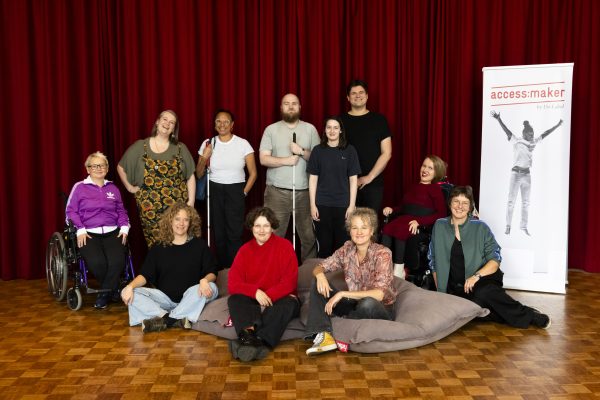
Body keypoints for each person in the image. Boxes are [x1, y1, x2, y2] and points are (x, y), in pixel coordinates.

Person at [428, 186, 551, 329]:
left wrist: (476, 276)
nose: (460, 206)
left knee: (484, 293)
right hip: (456, 286)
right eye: (456, 201)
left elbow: (495, 258)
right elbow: (433, 260)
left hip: (483, 278)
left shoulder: (480, 227)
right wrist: (441, 291)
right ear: (450, 204)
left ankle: (530, 315)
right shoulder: (440, 225)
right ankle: (509, 312)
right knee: (472, 308)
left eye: (465, 203)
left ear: (470, 207)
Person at [304, 207, 398, 356]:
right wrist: (320, 275)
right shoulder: (347, 249)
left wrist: (341, 294)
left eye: (364, 227)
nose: (359, 232)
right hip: (354, 305)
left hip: (379, 308)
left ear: (371, 230)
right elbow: (319, 267)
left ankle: (341, 332)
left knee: (367, 302)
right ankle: (323, 334)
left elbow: (379, 295)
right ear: (350, 231)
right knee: (316, 282)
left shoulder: (383, 253)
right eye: (355, 228)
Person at [121, 202, 218, 333]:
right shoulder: (159, 247)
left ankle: (164, 321)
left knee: (212, 287)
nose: (181, 223)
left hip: (191, 296)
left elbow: (212, 272)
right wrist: (130, 287)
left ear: (191, 223)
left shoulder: (199, 245)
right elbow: (144, 275)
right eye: (177, 219)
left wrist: (205, 280)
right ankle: (175, 318)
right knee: (129, 291)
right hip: (164, 300)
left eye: (186, 220)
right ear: (170, 221)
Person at [227, 207, 300, 362]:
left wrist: (267, 296)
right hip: (254, 298)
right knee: (235, 299)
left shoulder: (285, 246)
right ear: (251, 227)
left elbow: (289, 283)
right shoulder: (244, 250)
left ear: (272, 227)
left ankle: (256, 341)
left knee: (287, 304)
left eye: (266, 226)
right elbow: (233, 284)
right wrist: (255, 293)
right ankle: (250, 337)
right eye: (257, 226)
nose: (261, 230)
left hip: (281, 298)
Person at [118, 110, 196, 247]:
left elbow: (190, 176)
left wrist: (191, 202)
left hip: (177, 209)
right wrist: (130, 188)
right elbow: (121, 167)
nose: (167, 124)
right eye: (165, 119)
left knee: (180, 244)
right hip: (150, 210)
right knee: (157, 247)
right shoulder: (140, 146)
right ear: (157, 121)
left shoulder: (180, 148)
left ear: (174, 129)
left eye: (172, 122)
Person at [259, 93, 320, 261]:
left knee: (308, 235)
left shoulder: (310, 129)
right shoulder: (271, 129)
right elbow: (263, 159)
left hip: (304, 191)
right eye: (286, 103)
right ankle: (273, 269)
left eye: (294, 103)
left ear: (300, 107)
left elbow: (319, 159)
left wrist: (300, 151)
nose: (291, 106)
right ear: (281, 107)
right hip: (277, 192)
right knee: (274, 234)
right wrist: (287, 160)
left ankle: (309, 273)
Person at [65, 151, 130, 309]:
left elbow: (121, 211)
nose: (99, 168)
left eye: (102, 165)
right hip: (88, 233)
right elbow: (71, 211)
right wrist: (80, 230)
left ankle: (103, 294)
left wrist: (124, 228)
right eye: (94, 166)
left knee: (117, 261)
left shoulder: (113, 188)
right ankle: (112, 290)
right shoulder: (79, 187)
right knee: (97, 262)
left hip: (113, 231)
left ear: (107, 168)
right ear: (88, 169)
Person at [196, 109, 257, 269]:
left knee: (234, 233)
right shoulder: (208, 143)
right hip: (214, 190)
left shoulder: (242, 143)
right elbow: (199, 172)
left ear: (232, 125)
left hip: (236, 190)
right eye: (218, 121)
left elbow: (253, 173)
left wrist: (243, 192)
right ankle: (223, 269)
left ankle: (235, 269)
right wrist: (205, 156)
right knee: (219, 233)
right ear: (215, 124)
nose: (222, 124)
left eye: (226, 122)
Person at [490, 111, 563, 236]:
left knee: (526, 202)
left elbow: (545, 133)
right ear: (524, 134)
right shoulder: (516, 141)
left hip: (527, 175)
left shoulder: (533, 142)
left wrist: (557, 125)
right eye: (530, 134)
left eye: (532, 134)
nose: (532, 136)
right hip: (516, 174)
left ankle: (523, 226)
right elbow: (506, 130)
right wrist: (498, 119)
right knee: (511, 201)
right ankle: (508, 225)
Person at [381, 155, 447, 278]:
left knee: (401, 230)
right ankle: (383, 267)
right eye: (424, 166)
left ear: (436, 172)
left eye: (430, 168)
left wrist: (420, 222)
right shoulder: (413, 186)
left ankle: (398, 270)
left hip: (420, 224)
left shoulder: (435, 189)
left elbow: (441, 214)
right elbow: (403, 207)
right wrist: (391, 209)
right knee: (387, 229)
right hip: (404, 219)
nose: (425, 170)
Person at [308, 116, 361, 258]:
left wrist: (351, 206)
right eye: (329, 127)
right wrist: (313, 205)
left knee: (342, 247)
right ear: (324, 131)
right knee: (324, 246)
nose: (332, 131)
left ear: (341, 131)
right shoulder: (317, 151)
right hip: (322, 205)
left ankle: (340, 279)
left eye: (335, 127)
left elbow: (353, 180)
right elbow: (313, 180)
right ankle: (322, 279)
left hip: (343, 205)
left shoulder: (350, 151)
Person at [340, 80, 392, 213]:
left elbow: (387, 153)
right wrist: (348, 180)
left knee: (369, 225)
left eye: (361, 92)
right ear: (348, 97)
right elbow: (333, 152)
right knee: (347, 226)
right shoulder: (339, 121)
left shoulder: (379, 120)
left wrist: (369, 177)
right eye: (353, 93)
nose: (358, 95)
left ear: (367, 96)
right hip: (344, 184)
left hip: (373, 183)